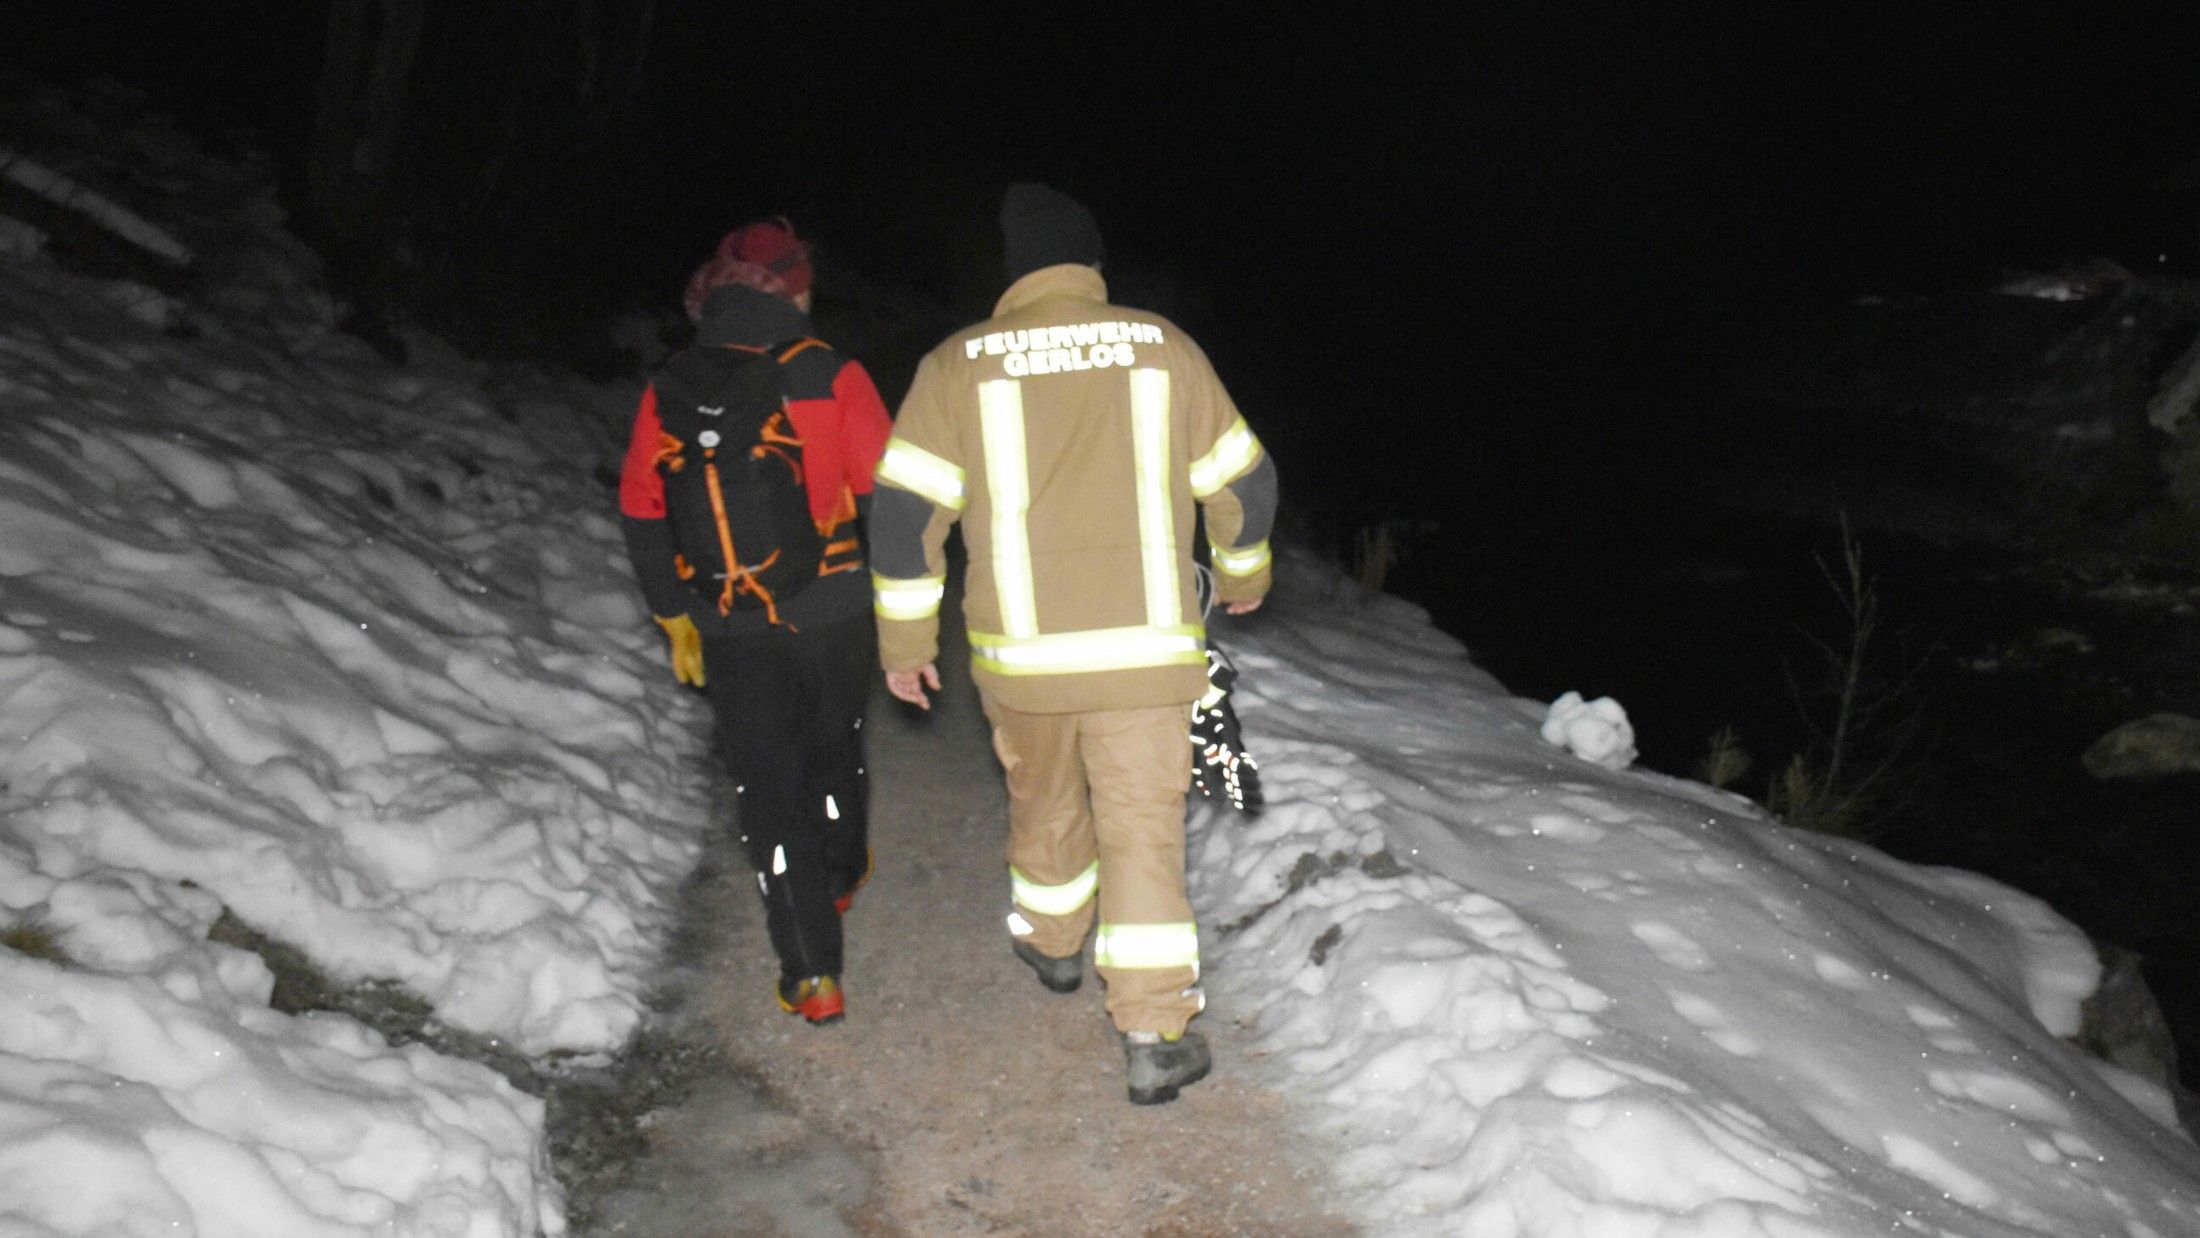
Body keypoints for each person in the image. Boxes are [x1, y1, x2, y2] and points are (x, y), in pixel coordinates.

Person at [869, 184, 1277, 1104]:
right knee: (1141, 834)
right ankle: (1154, 1030)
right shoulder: (1161, 348)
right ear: (1092, 267)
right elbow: (1246, 483)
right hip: (1144, 655)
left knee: (1044, 799)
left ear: (1015, 275)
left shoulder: (957, 365)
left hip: (1022, 659)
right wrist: (1244, 576)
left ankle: (1054, 947)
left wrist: (904, 640)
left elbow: (902, 518)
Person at [619, 219, 893, 1025]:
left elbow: (641, 509)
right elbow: (889, 494)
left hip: (731, 619)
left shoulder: (672, 382)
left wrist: (673, 613)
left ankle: (809, 971)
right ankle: (840, 872)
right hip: (836, 611)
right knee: (835, 746)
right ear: (798, 289)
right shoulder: (831, 375)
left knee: (768, 787)